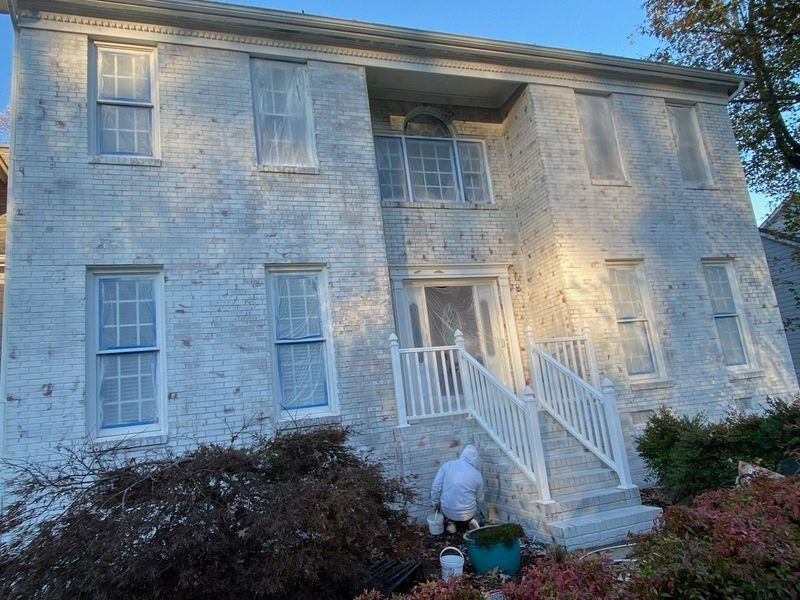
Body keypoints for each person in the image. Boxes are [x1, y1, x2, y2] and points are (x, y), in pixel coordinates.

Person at [431, 445, 485, 534]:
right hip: (469, 512)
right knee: (477, 511)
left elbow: (436, 487)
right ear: (475, 460)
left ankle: (451, 523)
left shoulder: (447, 466)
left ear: (462, 454)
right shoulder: (477, 475)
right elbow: (480, 499)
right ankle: (470, 522)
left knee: (448, 510)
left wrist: (435, 502)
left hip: (448, 510)